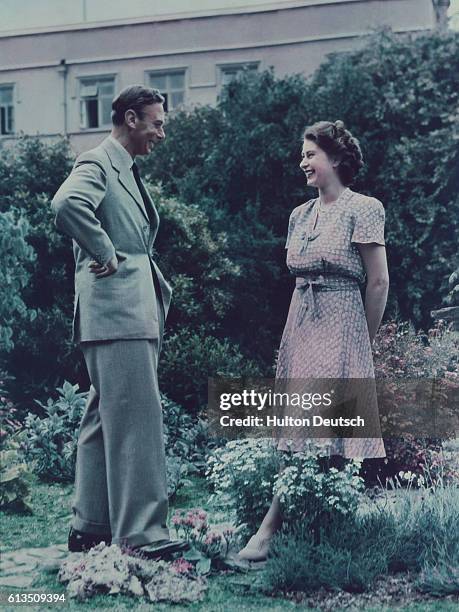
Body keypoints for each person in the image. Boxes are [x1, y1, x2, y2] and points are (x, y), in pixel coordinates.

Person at [238, 120, 389, 561]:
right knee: (301, 428)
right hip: (301, 319)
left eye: (310, 154)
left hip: (343, 320)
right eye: (302, 155)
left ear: (336, 159)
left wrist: (363, 341)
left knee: (324, 427)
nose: (302, 162)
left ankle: (271, 530)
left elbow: (378, 283)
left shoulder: (365, 207)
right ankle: (317, 526)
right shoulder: (299, 215)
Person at [52, 85, 186, 558]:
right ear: (130, 119)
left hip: (121, 314)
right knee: (137, 423)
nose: (161, 132)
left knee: (103, 419)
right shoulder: (98, 162)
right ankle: (142, 535)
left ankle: (90, 528)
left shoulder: (122, 167)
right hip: (120, 314)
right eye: (157, 122)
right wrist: (104, 249)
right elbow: (67, 205)